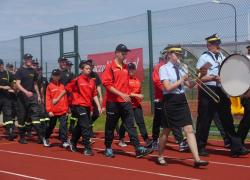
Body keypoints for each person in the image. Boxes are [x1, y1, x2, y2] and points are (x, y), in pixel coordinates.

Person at [195, 34, 249, 157]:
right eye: (215, 44)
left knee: (227, 119)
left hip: (220, 89)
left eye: (218, 43)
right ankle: (200, 147)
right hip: (208, 90)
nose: (218, 46)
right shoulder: (204, 58)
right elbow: (199, 78)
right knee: (205, 120)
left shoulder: (221, 56)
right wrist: (213, 77)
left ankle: (236, 147)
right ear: (209, 45)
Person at [158, 45, 208, 167]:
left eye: (180, 55)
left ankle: (197, 159)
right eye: (177, 54)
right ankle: (160, 155)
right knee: (166, 131)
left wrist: (200, 75)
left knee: (189, 130)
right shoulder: (163, 68)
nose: (179, 56)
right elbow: (168, 87)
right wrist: (181, 80)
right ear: (169, 55)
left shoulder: (182, 67)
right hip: (170, 101)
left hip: (181, 100)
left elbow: (190, 85)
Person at [102, 44, 152, 158]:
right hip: (113, 102)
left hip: (125, 102)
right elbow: (107, 85)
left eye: (126, 53)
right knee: (111, 125)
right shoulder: (110, 67)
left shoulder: (125, 68)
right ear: (116, 53)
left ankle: (138, 148)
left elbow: (126, 85)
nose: (125, 55)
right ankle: (108, 147)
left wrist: (129, 95)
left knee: (130, 125)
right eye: (123, 53)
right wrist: (121, 94)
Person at [54, 60, 102, 156]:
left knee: (81, 125)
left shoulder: (92, 81)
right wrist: (57, 99)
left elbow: (94, 95)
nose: (89, 70)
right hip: (79, 106)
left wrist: (99, 106)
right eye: (87, 68)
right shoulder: (77, 80)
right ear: (82, 69)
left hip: (87, 106)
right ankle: (87, 148)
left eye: (90, 68)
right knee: (86, 126)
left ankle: (72, 141)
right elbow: (66, 89)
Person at [152, 50, 188, 152]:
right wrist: (166, 89)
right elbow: (157, 81)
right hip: (161, 98)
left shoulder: (176, 67)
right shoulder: (160, 67)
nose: (177, 57)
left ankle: (180, 141)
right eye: (174, 54)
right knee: (158, 121)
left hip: (171, 98)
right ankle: (155, 140)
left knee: (173, 122)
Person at [15, 53, 47, 146]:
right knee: (22, 117)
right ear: (24, 60)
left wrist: (39, 96)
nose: (29, 60)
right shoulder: (20, 71)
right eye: (27, 58)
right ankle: (22, 137)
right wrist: (25, 92)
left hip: (32, 96)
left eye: (30, 58)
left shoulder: (33, 71)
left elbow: (35, 84)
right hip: (22, 96)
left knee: (35, 115)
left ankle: (41, 136)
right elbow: (18, 84)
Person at [118, 62, 152, 148]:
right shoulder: (124, 80)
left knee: (141, 122)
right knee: (126, 123)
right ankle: (121, 139)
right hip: (127, 105)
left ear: (135, 70)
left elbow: (139, 92)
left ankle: (146, 140)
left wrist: (140, 97)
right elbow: (125, 92)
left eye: (132, 69)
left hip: (136, 105)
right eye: (129, 69)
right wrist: (137, 95)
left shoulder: (137, 80)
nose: (131, 71)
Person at [44, 69, 69, 147]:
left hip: (62, 110)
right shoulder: (49, 86)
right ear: (52, 76)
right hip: (53, 111)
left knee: (63, 126)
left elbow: (65, 98)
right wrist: (49, 110)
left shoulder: (62, 86)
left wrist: (67, 109)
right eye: (55, 75)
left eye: (58, 75)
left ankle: (64, 141)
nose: (56, 77)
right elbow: (47, 99)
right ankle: (46, 137)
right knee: (51, 126)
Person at [86, 59, 103, 139]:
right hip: (86, 98)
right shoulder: (83, 75)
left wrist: (100, 96)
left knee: (96, 113)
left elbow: (98, 85)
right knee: (88, 114)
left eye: (93, 66)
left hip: (94, 97)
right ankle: (88, 131)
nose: (93, 67)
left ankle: (89, 125)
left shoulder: (95, 75)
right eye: (91, 65)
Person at [237, 45, 250, 144]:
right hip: (247, 94)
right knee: (247, 119)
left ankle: (238, 142)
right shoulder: (245, 60)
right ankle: (238, 142)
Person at [0, 59, 16, 141]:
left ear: (2, 65)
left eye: (0, 64)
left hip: (6, 98)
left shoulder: (8, 74)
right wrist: (3, 87)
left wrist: (12, 86)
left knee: (8, 115)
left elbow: (13, 84)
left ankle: (10, 133)